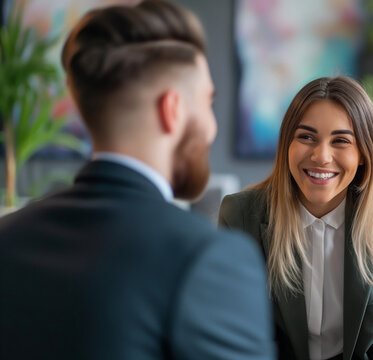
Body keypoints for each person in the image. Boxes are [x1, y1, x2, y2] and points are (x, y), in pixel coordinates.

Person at [0, 1, 275, 359]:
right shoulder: (210, 259)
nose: (212, 126)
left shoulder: (9, 239)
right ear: (172, 109)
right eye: (208, 102)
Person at [219, 76, 373, 360]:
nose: (321, 156)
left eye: (341, 141)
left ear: (364, 153)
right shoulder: (241, 216)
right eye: (306, 137)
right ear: (286, 145)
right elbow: (233, 341)